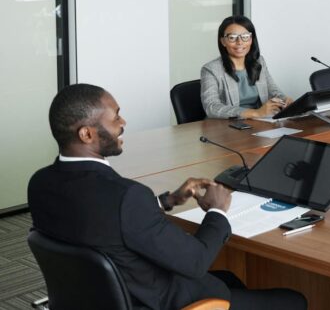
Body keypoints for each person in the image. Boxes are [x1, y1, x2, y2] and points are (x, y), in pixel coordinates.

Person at [28, 84, 307, 310]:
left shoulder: (40, 183)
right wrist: (217, 211)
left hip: (101, 297)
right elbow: (195, 263)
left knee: (231, 278)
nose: (123, 122)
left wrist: (168, 201)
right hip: (160, 301)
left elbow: (102, 220)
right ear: (87, 134)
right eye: (115, 117)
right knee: (295, 300)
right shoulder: (127, 196)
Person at [200, 15, 292, 119]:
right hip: (226, 127)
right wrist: (255, 113)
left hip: (259, 122)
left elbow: (273, 91)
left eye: (245, 37)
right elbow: (212, 107)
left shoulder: (258, 62)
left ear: (251, 39)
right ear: (223, 41)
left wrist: (285, 100)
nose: (239, 42)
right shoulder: (211, 70)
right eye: (232, 38)